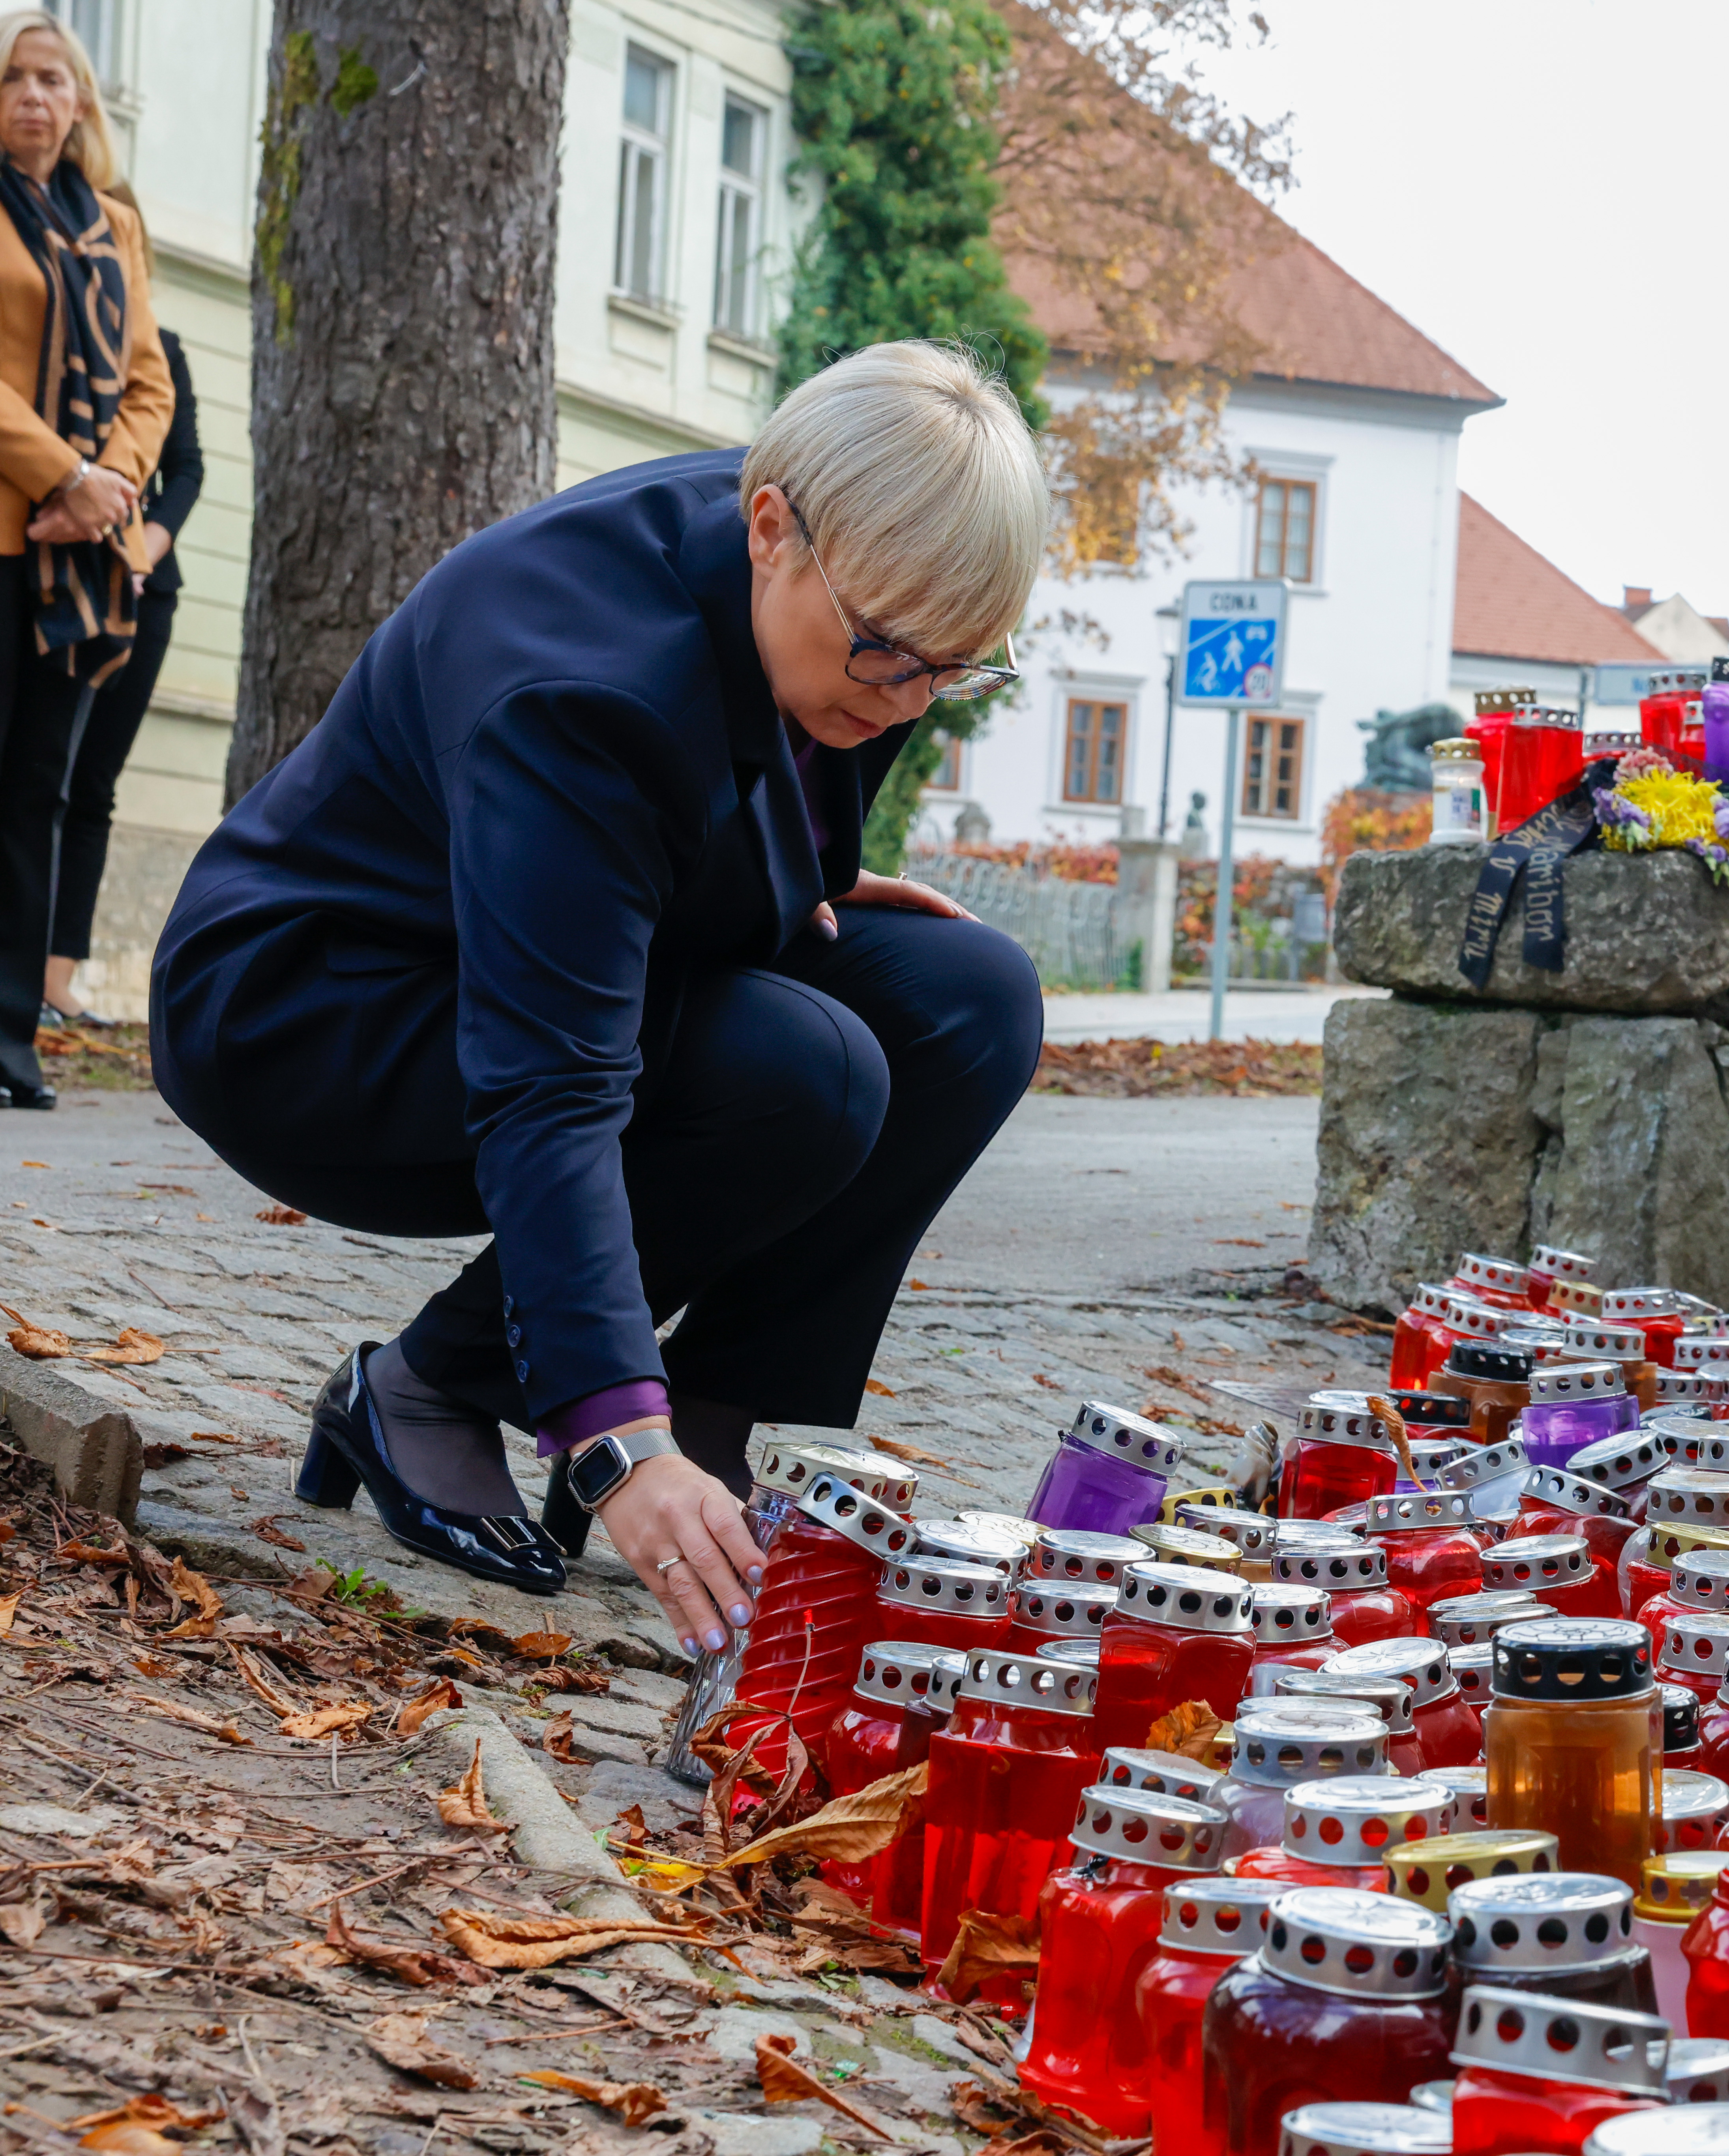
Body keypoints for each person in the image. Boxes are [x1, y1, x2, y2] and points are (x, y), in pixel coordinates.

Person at [151, 342, 1047, 1656]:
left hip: (502, 949)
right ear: (771, 528)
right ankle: (427, 1392)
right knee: (811, 1072)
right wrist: (609, 1436)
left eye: (952, 670)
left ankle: (729, 1433)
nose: (904, 698)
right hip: (307, 1014)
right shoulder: (580, 688)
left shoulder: (838, 571)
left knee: (968, 998)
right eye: (884, 654)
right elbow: (551, 1087)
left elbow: (732, 775)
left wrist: (800, 877)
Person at [0, 11, 173, 1107]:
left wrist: (105, 487)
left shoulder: (114, 226)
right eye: (13, 78)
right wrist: (62, 474)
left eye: (50, 78)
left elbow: (152, 385)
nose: (29, 95)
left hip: (80, 561)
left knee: (37, 798)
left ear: (80, 104)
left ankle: (11, 1034)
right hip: (12, 524)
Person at [44, 318, 194, 1025]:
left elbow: (186, 469)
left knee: (92, 788)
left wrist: (139, 555)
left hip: (140, 591)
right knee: (38, 777)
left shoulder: (161, 350)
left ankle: (55, 979)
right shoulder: (52, 326)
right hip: (51, 573)